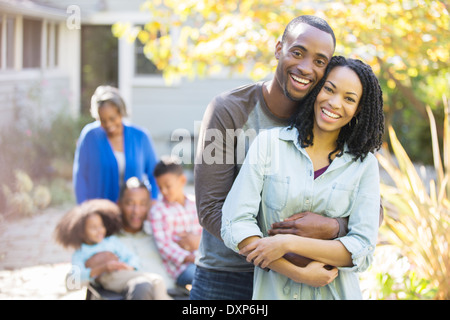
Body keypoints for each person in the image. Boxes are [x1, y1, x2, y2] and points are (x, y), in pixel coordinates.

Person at [192, 15, 342, 300]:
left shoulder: (328, 120)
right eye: (297, 52)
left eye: (320, 61)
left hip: (301, 284)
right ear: (278, 49)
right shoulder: (229, 110)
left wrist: (334, 226)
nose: (305, 67)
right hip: (228, 278)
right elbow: (210, 209)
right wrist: (287, 260)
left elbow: (371, 209)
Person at [221, 56, 384, 299]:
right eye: (329, 89)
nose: (335, 103)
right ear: (317, 89)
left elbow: (362, 249)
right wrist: (298, 273)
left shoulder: (364, 165)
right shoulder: (269, 144)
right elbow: (235, 224)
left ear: (358, 109)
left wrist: (288, 243)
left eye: (349, 99)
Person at [54, 198, 172, 300]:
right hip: (108, 279)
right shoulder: (81, 252)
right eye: (93, 228)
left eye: (101, 226)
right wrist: (101, 269)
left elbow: (131, 257)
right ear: (81, 233)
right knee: (157, 281)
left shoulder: (111, 242)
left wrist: (129, 266)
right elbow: (72, 281)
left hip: (126, 274)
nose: (99, 230)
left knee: (144, 285)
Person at [73, 85, 159, 204]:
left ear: (121, 113)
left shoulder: (140, 137)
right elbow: (80, 177)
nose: (108, 125)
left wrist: (152, 201)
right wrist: (84, 207)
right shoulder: (90, 136)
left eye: (112, 118)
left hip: (132, 213)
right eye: (102, 120)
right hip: (99, 210)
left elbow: (154, 174)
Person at [150, 156, 202, 288]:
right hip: (182, 269)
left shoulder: (196, 204)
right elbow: (165, 246)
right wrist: (190, 257)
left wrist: (198, 242)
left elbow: (206, 234)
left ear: (182, 180)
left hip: (204, 260)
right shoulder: (158, 211)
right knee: (203, 276)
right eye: (160, 187)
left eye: (168, 186)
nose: (164, 191)